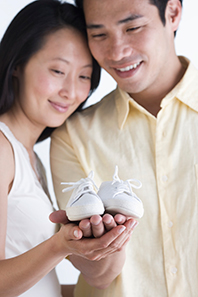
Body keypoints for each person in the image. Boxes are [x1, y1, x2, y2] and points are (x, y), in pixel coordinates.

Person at [50, 0, 198, 296]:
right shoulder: (73, 135)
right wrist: (94, 245)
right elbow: (99, 277)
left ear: (173, 13)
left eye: (133, 27)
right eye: (99, 34)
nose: (116, 53)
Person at [0, 1, 136, 296]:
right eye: (58, 70)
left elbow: (37, 284)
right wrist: (59, 246)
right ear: (17, 65)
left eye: (84, 76)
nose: (71, 91)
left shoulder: (29, 157)